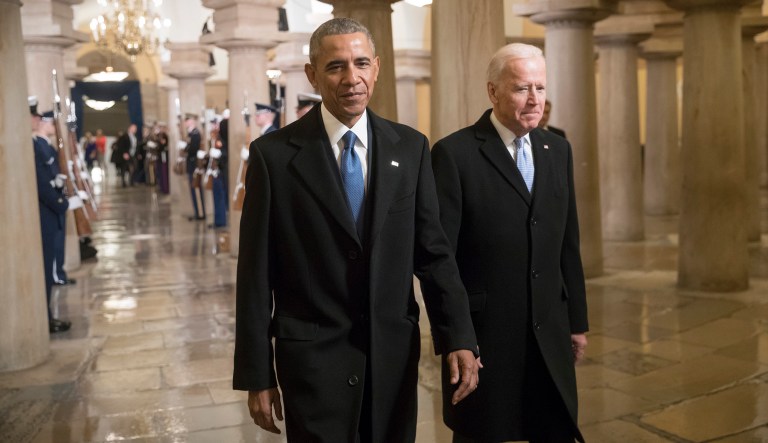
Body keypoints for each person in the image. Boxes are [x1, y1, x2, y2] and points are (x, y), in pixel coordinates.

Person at [234, 17, 480, 443]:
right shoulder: (273, 157)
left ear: (377, 68)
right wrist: (257, 373)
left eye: (361, 63)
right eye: (335, 66)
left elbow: (434, 253)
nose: (352, 78)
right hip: (312, 364)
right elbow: (255, 275)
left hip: (391, 360)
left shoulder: (411, 147)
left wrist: (459, 334)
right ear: (312, 73)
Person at [429, 43, 589, 443]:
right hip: (486, 337)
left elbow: (568, 242)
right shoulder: (454, 154)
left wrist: (577, 322)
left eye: (540, 87)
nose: (535, 99)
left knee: (554, 428)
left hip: (549, 330)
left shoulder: (557, 150)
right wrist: (456, 338)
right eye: (521, 88)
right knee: (484, 432)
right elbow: (439, 259)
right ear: (493, 91)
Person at [29, 96, 72, 333]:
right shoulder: (34, 145)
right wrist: (62, 203)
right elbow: (41, 183)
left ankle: (45, 316)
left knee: (48, 265)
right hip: (45, 211)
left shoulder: (38, 144)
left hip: (49, 209)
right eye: (33, 116)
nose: (35, 119)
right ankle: (43, 318)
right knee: (45, 266)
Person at [182, 113, 206, 221]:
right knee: (193, 188)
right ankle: (197, 212)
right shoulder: (190, 133)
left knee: (196, 188)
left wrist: (185, 148)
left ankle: (200, 213)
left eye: (187, 120)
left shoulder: (195, 134)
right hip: (191, 163)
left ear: (192, 121)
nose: (185, 122)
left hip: (194, 164)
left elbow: (193, 150)